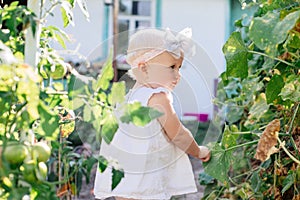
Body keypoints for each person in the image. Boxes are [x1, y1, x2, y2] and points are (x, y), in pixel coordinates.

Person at [94, 28, 211, 200]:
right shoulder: (157, 98)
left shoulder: (128, 99)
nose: (177, 74)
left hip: (125, 181)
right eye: (172, 67)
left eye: (179, 68)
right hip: (147, 183)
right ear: (144, 68)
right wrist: (198, 151)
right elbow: (178, 134)